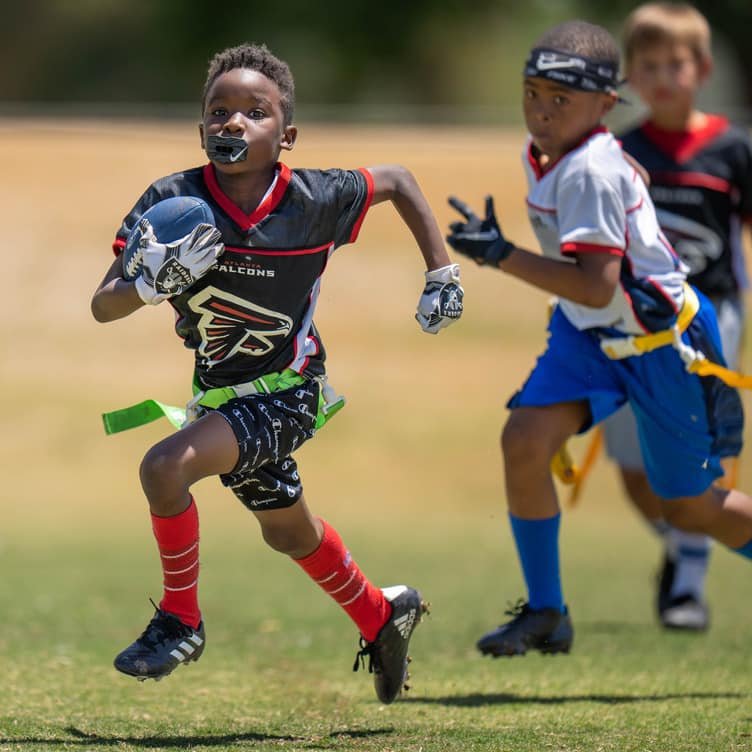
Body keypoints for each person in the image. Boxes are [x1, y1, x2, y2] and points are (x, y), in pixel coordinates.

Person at [91, 43, 464, 703]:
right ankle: (384, 615)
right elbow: (103, 305)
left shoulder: (315, 199)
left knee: (163, 467)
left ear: (286, 135)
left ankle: (180, 620)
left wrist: (441, 270)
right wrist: (148, 284)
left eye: (254, 112)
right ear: (200, 126)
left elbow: (401, 180)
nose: (232, 122)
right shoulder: (170, 200)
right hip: (219, 399)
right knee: (287, 531)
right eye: (218, 111)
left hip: (290, 394)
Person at [446, 19, 752, 659]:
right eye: (533, 93)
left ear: (606, 104)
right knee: (525, 442)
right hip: (590, 335)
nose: (543, 110)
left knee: (693, 510)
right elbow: (590, 300)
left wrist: (501, 254)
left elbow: (595, 284)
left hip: (656, 345)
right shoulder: (547, 151)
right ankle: (547, 611)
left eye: (562, 99)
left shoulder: (592, 171)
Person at [600, 1, 752, 632]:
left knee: (695, 466)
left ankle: (686, 587)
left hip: (709, 321)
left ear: (703, 68)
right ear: (630, 76)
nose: (664, 76)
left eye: (677, 64)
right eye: (649, 65)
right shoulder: (613, 150)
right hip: (629, 330)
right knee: (637, 476)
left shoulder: (734, 149)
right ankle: (680, 544)